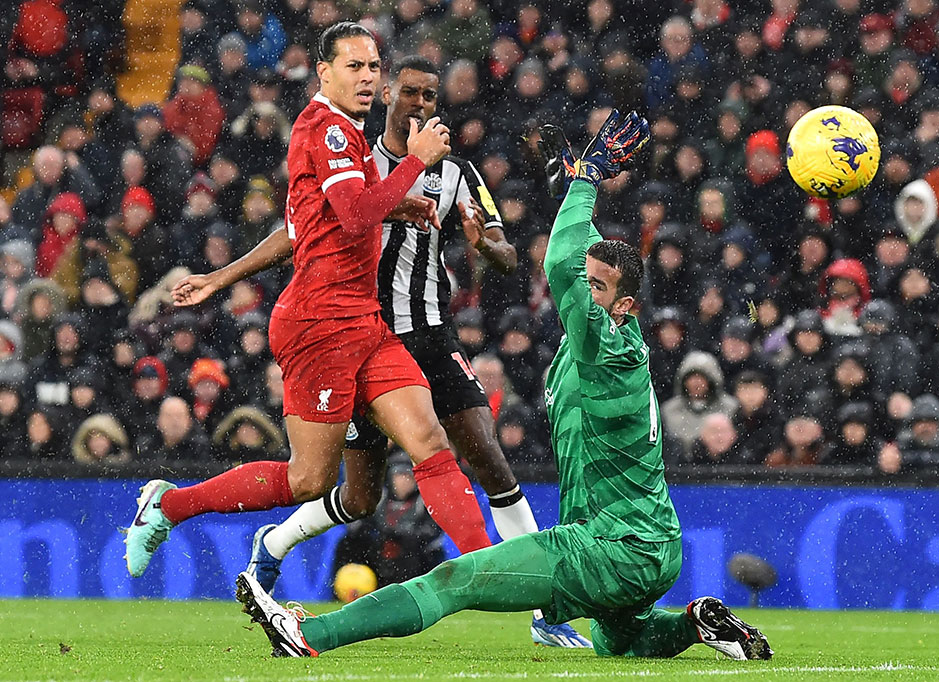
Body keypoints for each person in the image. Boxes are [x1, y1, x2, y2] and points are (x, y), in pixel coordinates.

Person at [236, 109, 771, 662]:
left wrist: (589, 180)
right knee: (620, 639)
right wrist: (572, 182)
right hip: (651, 543)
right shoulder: (607, 334)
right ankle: (696, 622)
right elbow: (578, 252)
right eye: (589, 284)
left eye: (599, 288)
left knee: (451, 582)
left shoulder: (603, 345)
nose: (585, 293)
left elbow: (562, 262)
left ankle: (308, 636)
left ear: (627, 304)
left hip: (611, 547)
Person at [125, 23, 488, 582]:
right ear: (324, 72)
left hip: (364, 322)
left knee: (428, 438)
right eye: (353, 66)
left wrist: (221, 276)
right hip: (318, 325)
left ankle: (488, 569)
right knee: (310, 481)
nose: (367, 77)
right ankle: (170, 506)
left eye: (373, 67)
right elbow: (353, 215)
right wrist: (414, 163)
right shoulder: (327, 131)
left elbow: (306, 228)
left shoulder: (348, 131)